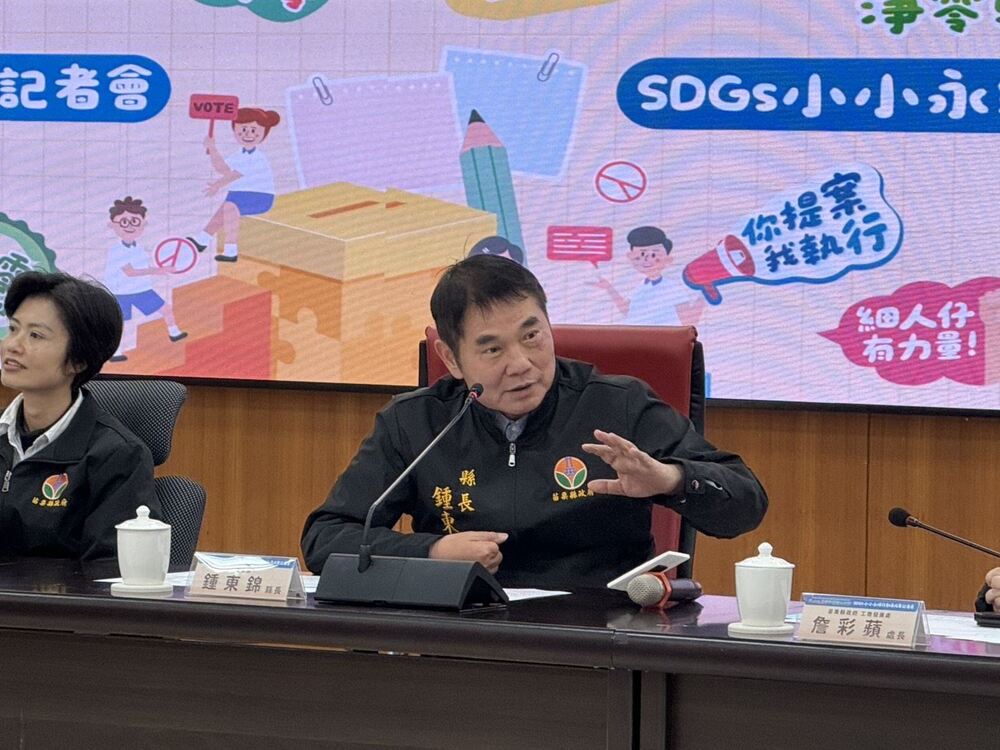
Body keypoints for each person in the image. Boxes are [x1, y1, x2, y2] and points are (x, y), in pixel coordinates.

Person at [301, 255, 767, 589]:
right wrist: (432, 553)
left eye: (532, 336)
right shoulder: (417, 421)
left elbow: (747, 503)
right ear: (452, 358)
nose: (521, 364)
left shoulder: (617, 404)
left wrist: (670, 479)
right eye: (492, 349)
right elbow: (326, 538)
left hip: (599, 644)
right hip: (461, 641)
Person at [0, 271, 159, 560]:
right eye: (13, 329)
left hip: (55, 592)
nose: (12, 345)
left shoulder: (118, 456)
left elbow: (113, 570)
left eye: (35, 335)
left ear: (78, 361)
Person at [187, 107, 281, 263]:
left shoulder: (257, 157)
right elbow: (223, 169)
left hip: (259, 196)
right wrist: (212, 148)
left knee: (229, 208)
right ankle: (202, 240)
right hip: (239, 195)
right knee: (222, 211)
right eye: (243, 130)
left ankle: (230, 250)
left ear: (264, 133)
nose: (248, 134)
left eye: (254, 130)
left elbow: (234, 174)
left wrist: (217, 185)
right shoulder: (239, 154)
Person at [103, 196, 187, 362]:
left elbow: (141, 268)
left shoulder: (139, 247)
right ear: (112, 224)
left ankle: (174, 333)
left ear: (143, 224)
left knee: (165, 309)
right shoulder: (117, 250)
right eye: (124, 222)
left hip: (141, 290)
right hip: (120, 293)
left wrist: (160, 269)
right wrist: (159, 270)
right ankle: (116, 352)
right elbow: (130, 272)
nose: (130, 226)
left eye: (135, 221)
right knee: (121, 323)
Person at [594, 225, 705, 326]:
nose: (646, 260)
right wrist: (609, 288)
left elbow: (688, 320)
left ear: (668, 260)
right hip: (634, 338)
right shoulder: (642, 286)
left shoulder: (671, 288)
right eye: (639, 256)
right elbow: (626, 310)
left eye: (653, 255)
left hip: (661, 338)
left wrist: (704, 295)